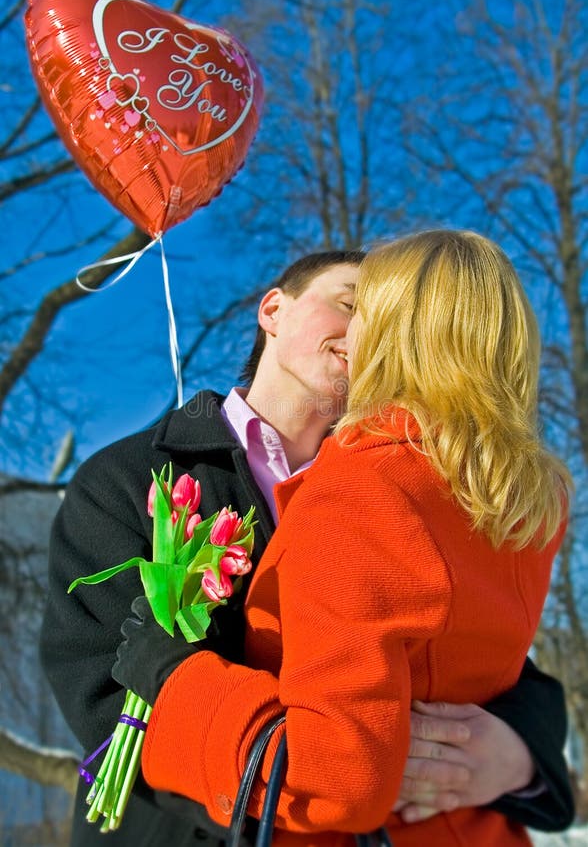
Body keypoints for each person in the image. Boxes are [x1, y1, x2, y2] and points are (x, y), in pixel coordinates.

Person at [39, 246, 573, 847]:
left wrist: (517, 758)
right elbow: (108, 691)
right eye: (349, 303)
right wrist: (318, 777)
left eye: (385, 315)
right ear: (273, 309)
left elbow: (477, 658)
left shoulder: (405, 479)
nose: (364, 331)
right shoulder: (132, 478)